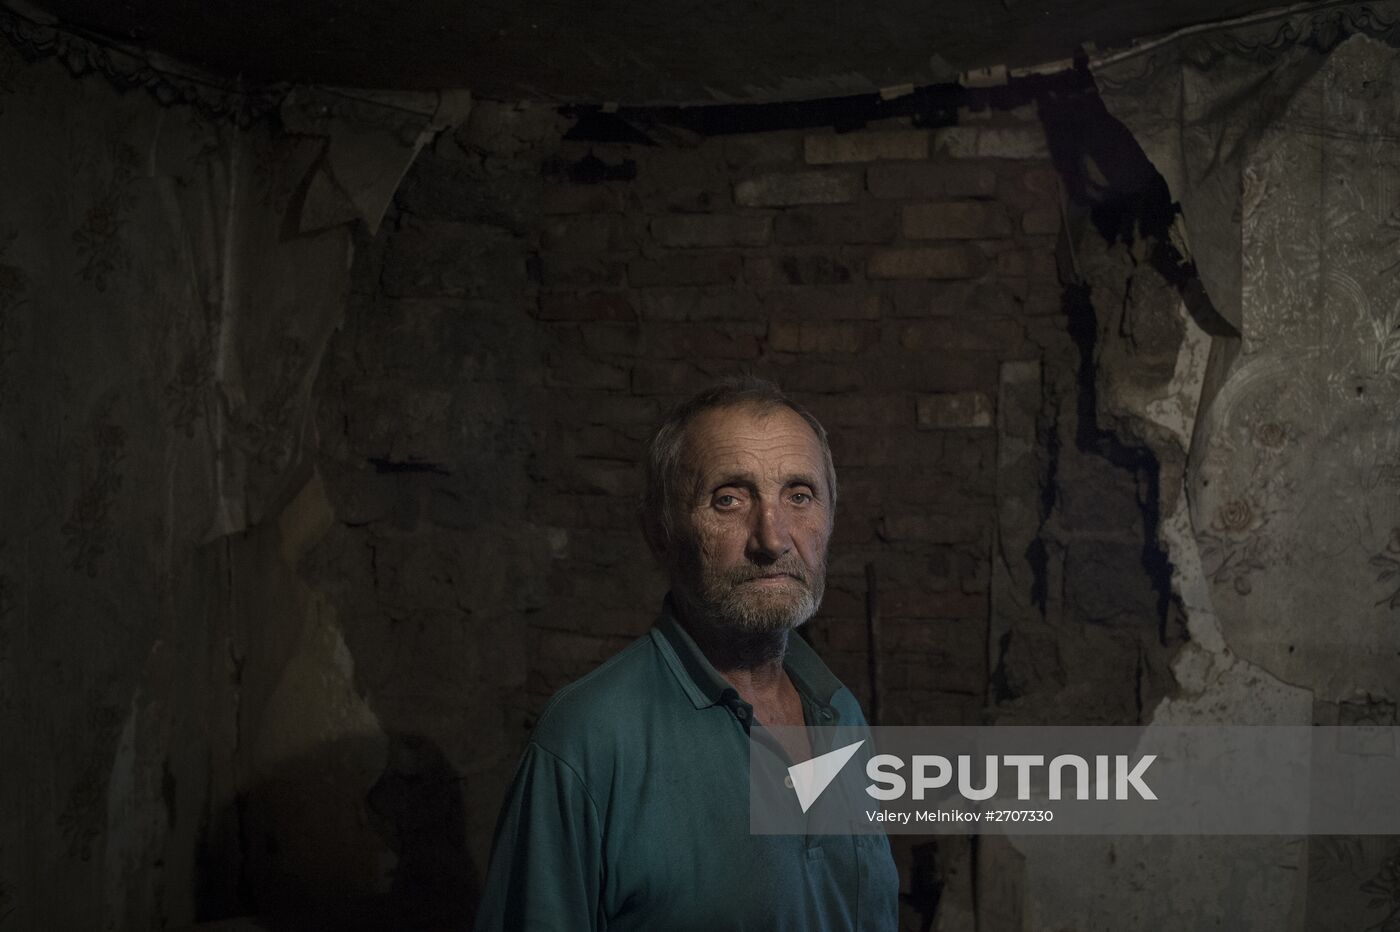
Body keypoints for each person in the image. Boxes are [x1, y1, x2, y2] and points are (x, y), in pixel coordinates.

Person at [474, 377, 899, 931]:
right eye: (729, 499)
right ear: (660, 532)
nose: (773, 538)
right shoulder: (588, 741)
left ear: (829, 519)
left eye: (799, 496)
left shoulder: (839, 711)